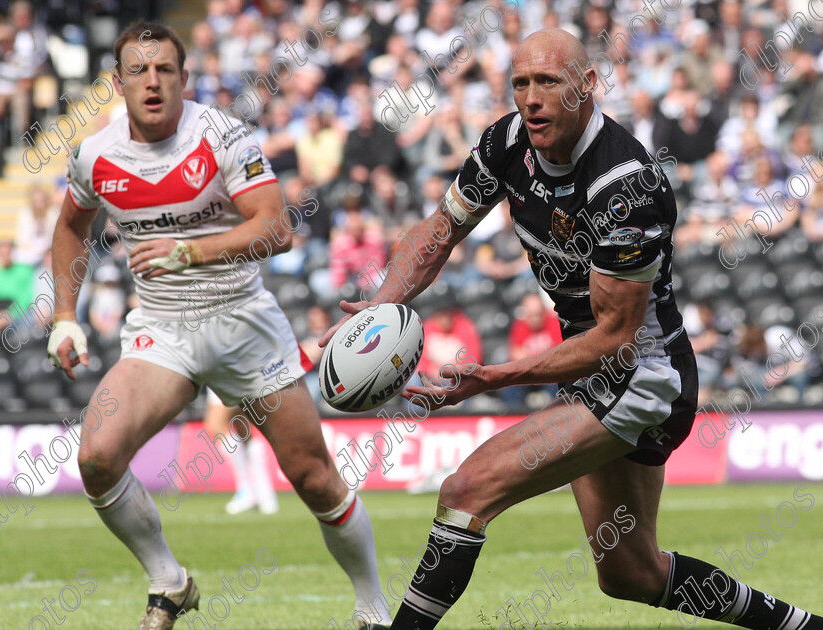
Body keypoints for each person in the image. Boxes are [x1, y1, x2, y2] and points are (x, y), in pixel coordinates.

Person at [322, 28, 823, 630]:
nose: (530, 99)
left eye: (547, 82)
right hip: (592, 371)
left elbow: (614, 336)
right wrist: (381, 306)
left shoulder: (626, 185)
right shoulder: (506, 142)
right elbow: (439, 231)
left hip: (642, 377)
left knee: (465, 491)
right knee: (630, 574)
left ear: (587, 85)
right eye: (520, 84)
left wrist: (495, 377)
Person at [46, 21, 391, 630]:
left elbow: (277, 229)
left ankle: (373, 608)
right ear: (119, 82)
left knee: (313, 477)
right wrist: (65, 316)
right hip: (162, 329)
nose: (152, 82)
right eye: (138, 70)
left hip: (242, 323)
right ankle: (169, 582)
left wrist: (191, 251)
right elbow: (71, 227)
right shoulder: (96, 154)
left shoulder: (223, 135)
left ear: (184, 78)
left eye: (165, 70)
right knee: (97, 457)